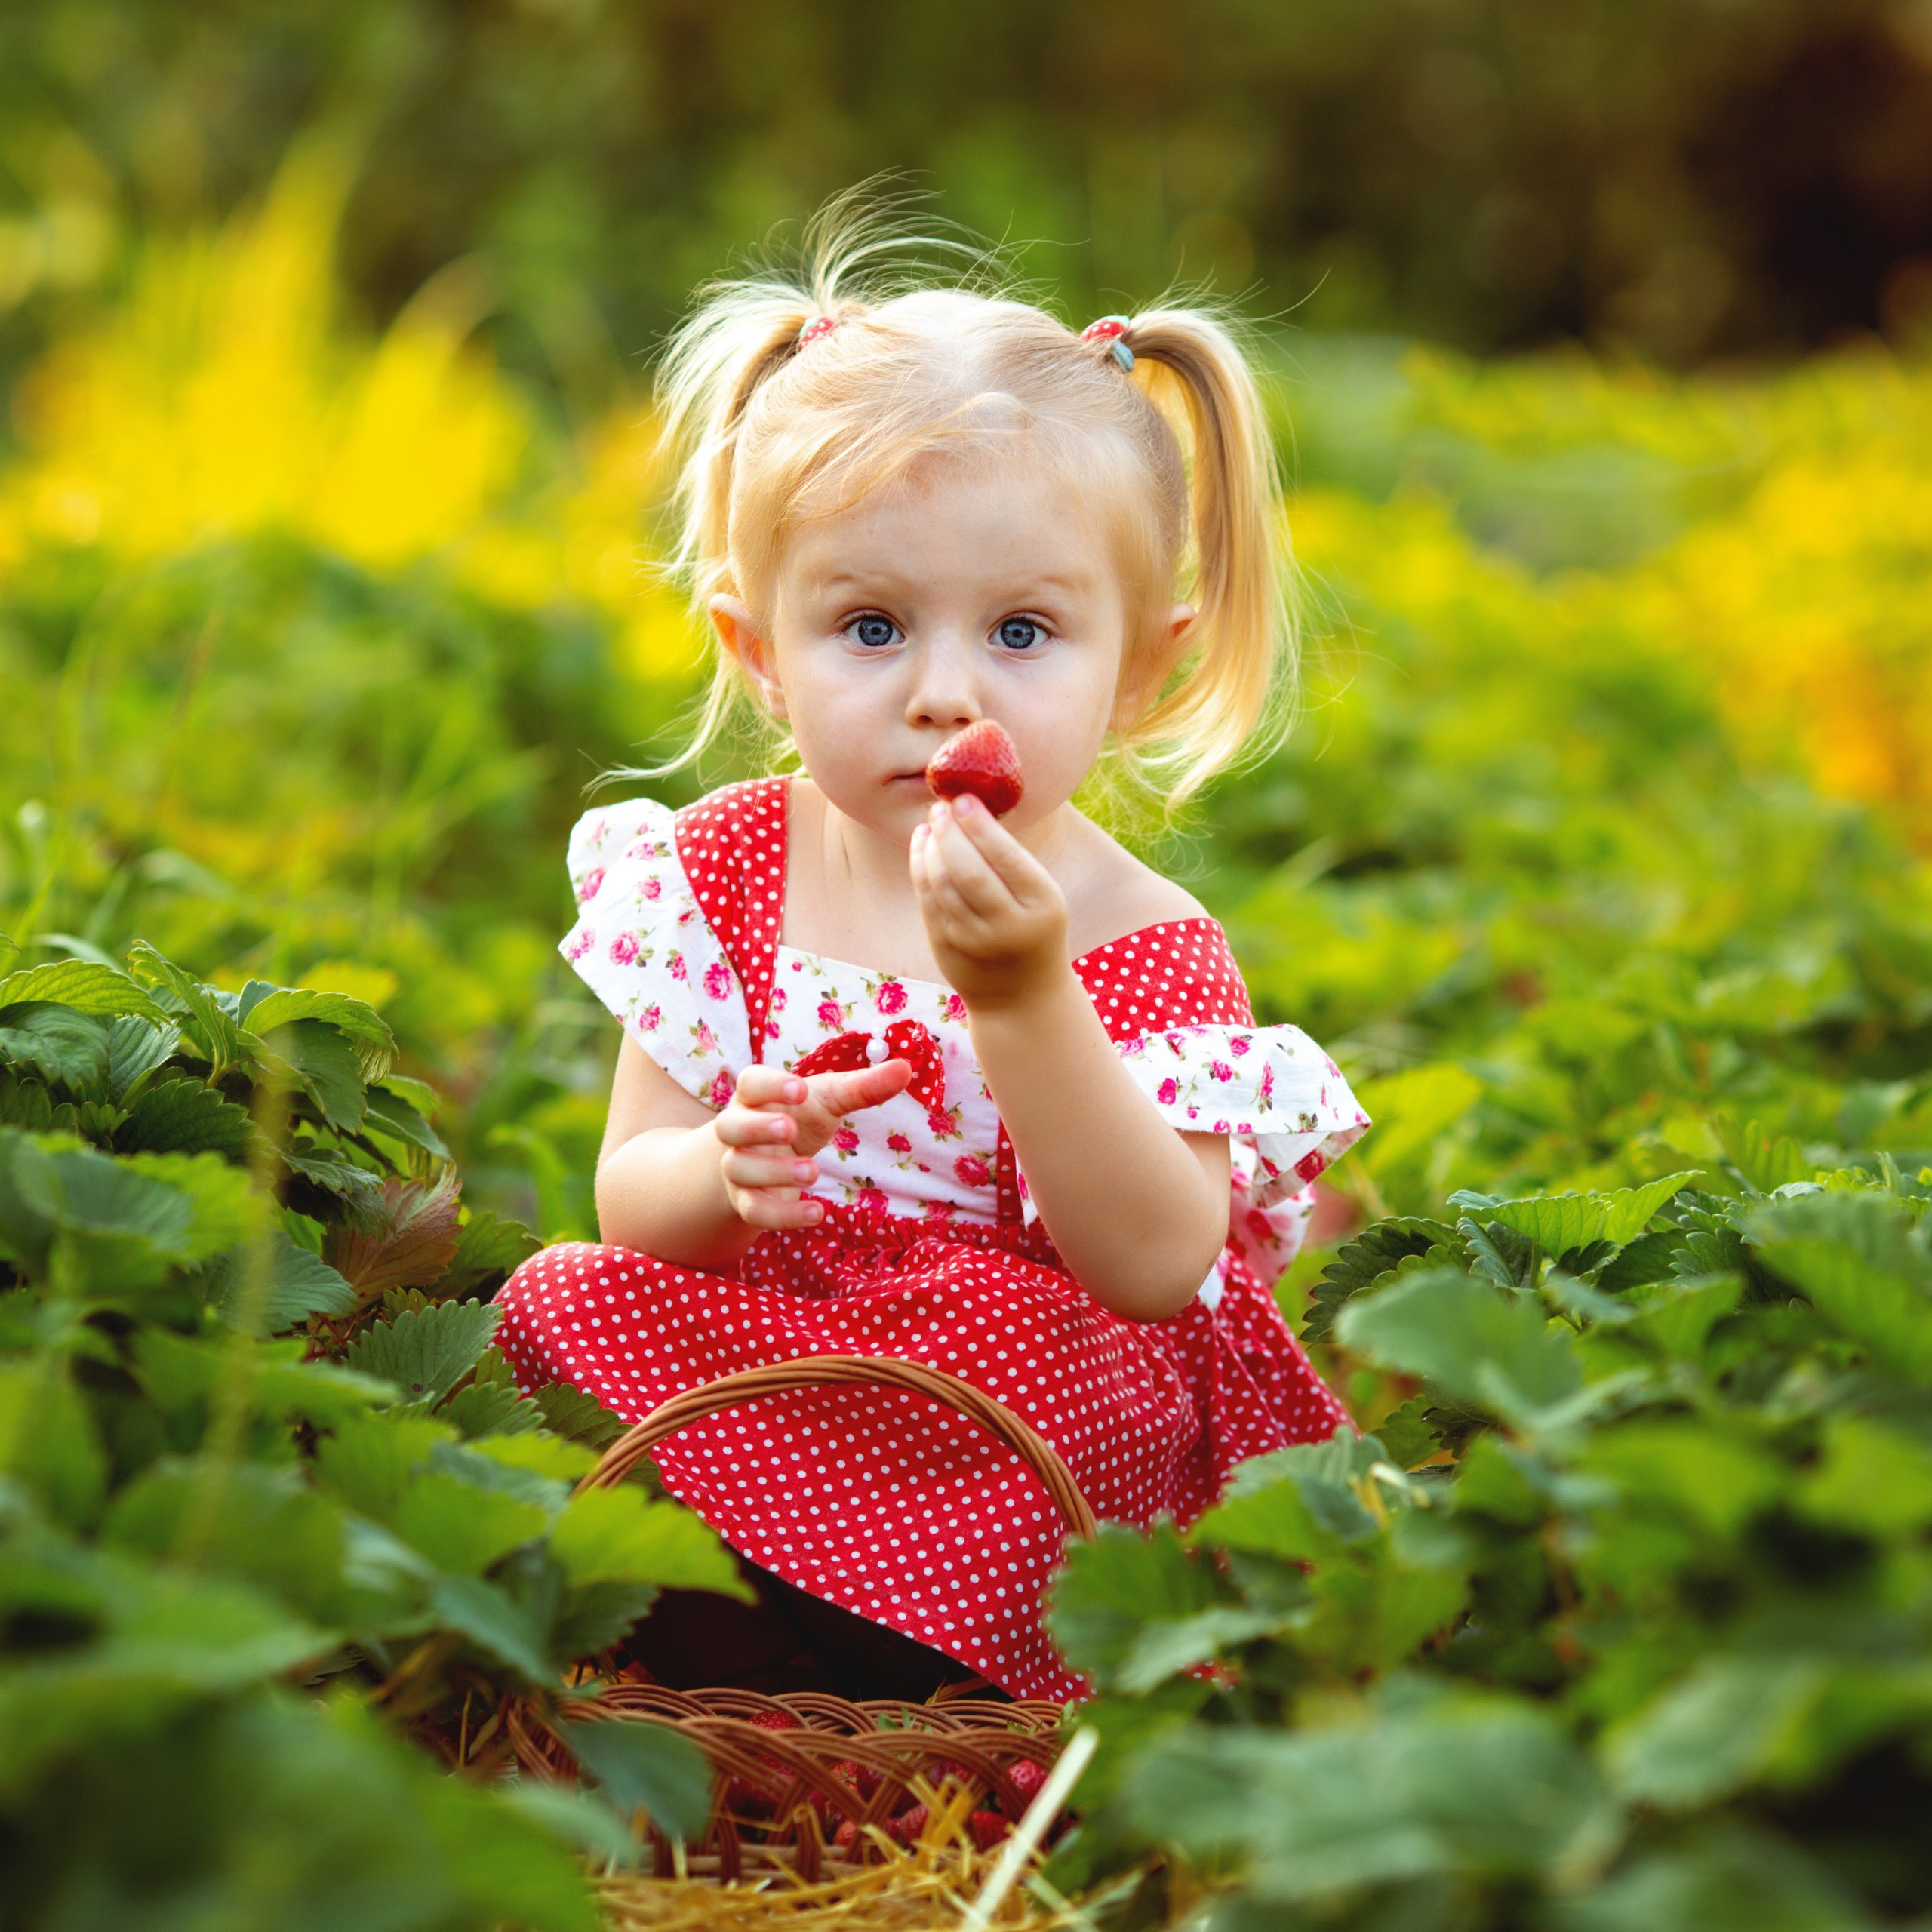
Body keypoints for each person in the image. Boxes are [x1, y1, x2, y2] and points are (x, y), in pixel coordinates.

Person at [495, 221, 1371, 1704]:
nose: (942, 691)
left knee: (1037, 1350)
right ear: (760, 649)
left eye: (1021, 629)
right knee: (555, 1300)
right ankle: (783, 1622)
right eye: (870, 625)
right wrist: (723, 1171)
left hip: (1018, 1420)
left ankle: (891, 1656)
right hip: (795, 1360)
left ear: (1137, 667)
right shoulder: (724, 874)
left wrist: (1026, 998)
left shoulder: (1134, 938)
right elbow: (630, 1194)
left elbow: (1156, 1264)